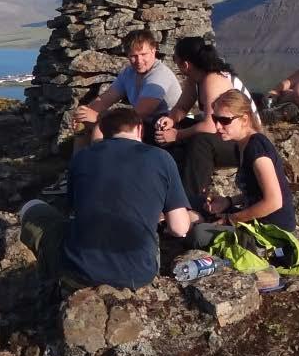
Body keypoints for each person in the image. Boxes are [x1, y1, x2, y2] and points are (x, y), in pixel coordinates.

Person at [21, 106, 190, 291]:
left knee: (32, 206)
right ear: (140, 129)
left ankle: (49, 279)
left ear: (103, 130)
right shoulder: (162, 158)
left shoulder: (83, 157)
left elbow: (73, 210)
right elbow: (180, 228)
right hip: (138, 274)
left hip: (80, 270)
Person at [154, 36, 259, 210]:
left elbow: (211, 126)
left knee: (201, 143)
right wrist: (170, 120)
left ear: (185, 64)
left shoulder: (213, 80)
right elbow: (182, 107)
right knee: (167, 127)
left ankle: (189, 202)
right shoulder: (196, 79)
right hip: (226, 133)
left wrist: (176, 135)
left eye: (176, 59)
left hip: (244, 141)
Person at [190, 89, 296, 249]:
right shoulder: (241, 145)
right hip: (255, 221)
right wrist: (229, 201)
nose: (218, 126)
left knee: (197, 235)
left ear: (245, 119)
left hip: (271, 233)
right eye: (215, 118)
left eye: (225, 120)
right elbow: (256, 192)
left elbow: (274, 201)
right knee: (196, 202)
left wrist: (231, 218)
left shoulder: (257, 149)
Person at [72, 29, 181, 146]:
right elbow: (106, 98)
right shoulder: (128, 73)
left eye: (143, 54)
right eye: (133, 56)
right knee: (84, 124)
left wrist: (99, 117)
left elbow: (141, 112)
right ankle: (80, 163)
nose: (139, 61)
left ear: (153, 51)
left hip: (163, 128)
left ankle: (101, 161)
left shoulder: (159, 74)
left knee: (101, 128)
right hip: (142, 123)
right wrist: (85, 113)